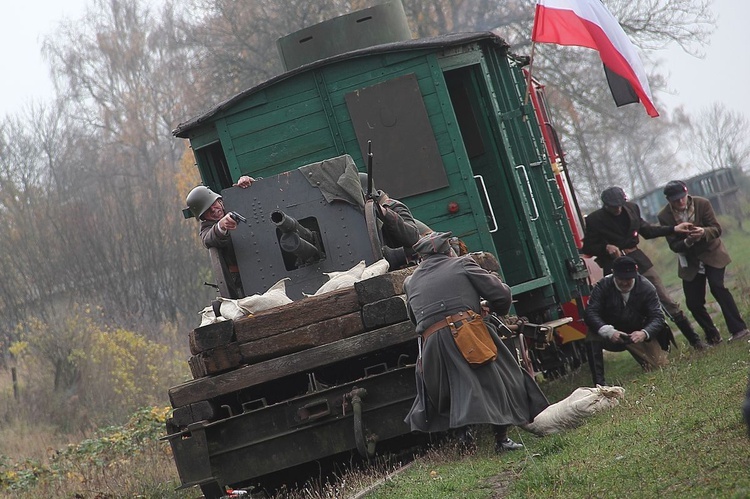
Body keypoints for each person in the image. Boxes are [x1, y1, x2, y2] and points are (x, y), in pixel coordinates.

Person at [402, 231, 549, 452]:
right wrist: (498, 313)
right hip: (466, 334)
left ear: (422, 257)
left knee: (453, 387)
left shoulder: (410, 281)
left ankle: (464, 437)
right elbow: (500, 295)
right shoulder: (462, 264)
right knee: (503, 376)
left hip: (430, 344)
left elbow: (414, 318)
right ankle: (501, 439)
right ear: (447, 250)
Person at [581, 186, 706, 349]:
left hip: (638, 259)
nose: (618, 209)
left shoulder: (632, 208)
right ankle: (645, 346)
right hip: (615, 266)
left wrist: (673, 229)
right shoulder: (594, 220)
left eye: (620, 204)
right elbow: (589, 247)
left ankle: (695, 340)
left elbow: (647, 230)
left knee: (666, 299)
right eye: (614, 206)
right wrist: (605, 247)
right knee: (626, 308)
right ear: (606, 205)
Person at [658, 180, 750, 344]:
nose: (680, 202)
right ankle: (713, 335)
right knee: (693, 302)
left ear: (687, 194)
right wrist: (687, 242)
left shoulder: (702, 204)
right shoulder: (664, 216)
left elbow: (716, 229)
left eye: (682, 197)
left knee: (718, 287)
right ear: (669, 200)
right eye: (676, 200)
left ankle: (738, 329)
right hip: (689, 261)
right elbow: (673, 245)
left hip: (712, 253)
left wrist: (703, 232)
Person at [583, 256, 672, 386]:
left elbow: (658, 317)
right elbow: (590, 313)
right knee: (592, 335)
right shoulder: (602, 286)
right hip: (612, 333)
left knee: (658, 365)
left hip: (637, 333)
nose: (625, 283)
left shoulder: (647, 287)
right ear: (613, 273)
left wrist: (644, 333)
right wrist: (608, 331)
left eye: (629, 279)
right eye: (621, 279)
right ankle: (599, 383)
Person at [185, 175, 254, 297]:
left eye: (213, 203)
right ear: (203, 217)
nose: (213, 209)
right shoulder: (207, 228)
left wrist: (247, 183)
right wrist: (221, 226)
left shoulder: (236, 203)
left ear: (219, 200)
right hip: (242, 281)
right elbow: (208, 239)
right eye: (207, 210)